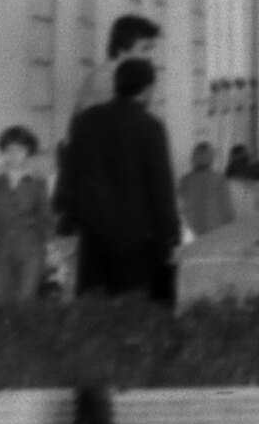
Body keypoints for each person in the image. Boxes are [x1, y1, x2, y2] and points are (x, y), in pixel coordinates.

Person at [56, 57, 183, 303]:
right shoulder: (150, 127)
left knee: (95, 308)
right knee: (136, 307)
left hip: (94, 237)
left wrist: (69, 216)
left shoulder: (86, 122)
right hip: (139, 239)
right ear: (147, 89)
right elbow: (160, 188)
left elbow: (71, 173)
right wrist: (171, 235)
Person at [0, 126, 55, 305]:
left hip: (30, 252)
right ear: (3, 152)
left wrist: (52, 251)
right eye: (9, 150)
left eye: (20, 150)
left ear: (28, 152)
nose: (14, 155)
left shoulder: (38, 181)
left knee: (25, 303)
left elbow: (45, 220)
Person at [178, 141, 234, 240]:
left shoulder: (184, 181)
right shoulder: (219, 179)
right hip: (216, 233)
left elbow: (181, 210)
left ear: (193, 158)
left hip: (193, 235)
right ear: (211, 158)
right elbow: (227, 211)